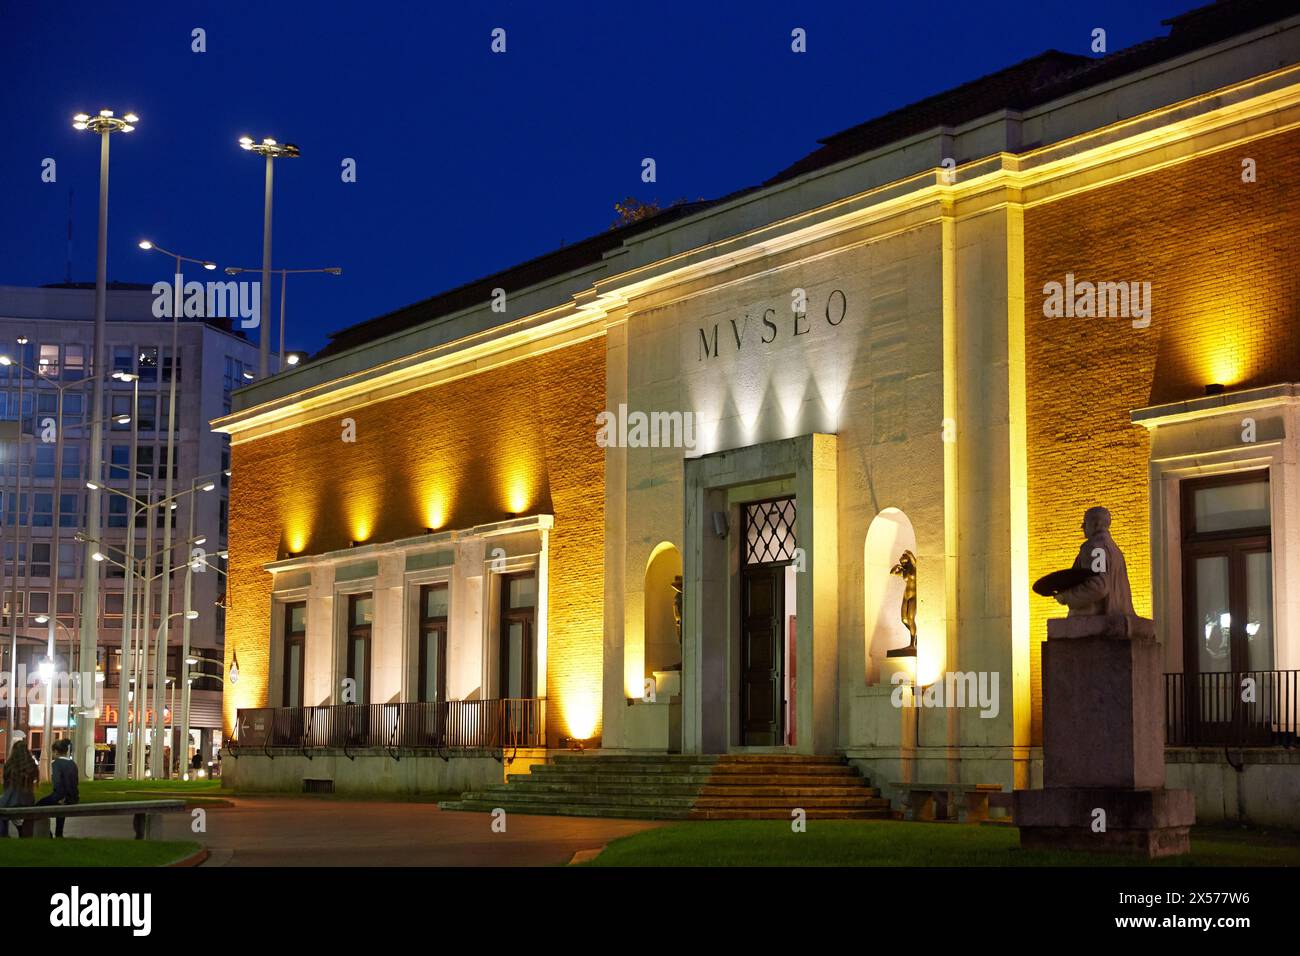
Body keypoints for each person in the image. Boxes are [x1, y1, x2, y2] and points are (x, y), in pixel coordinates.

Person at [1054, 506, 1135, 617]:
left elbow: (1098, 586)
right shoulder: (1115, 550)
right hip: (1116, 617)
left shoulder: (1095, 548)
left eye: (1085, 523)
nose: (1083, 527)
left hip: (1095, 621)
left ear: (1096, 524)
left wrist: (1066, 596)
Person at [35, 738, 79, 837]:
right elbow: (75, 782)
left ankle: (47, 833)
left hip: (61, 796)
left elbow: (57, 782)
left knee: (38, 806)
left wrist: (61, 798)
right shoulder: (72, 763)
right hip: (73, 797)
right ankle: (59, 833)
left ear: (55, 751)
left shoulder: (56, 763)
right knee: (60, 810)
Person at [0, 736, 38, 837]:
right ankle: (22, 832)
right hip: (28, 800)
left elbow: (7, 787)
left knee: (2, 809)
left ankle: (3, 835)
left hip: (12, 799)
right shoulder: (31, 766)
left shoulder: (10, 766)